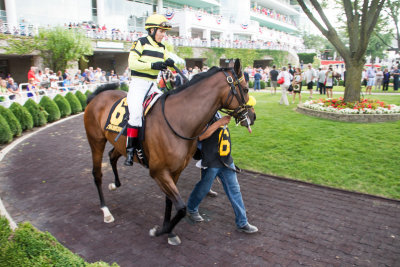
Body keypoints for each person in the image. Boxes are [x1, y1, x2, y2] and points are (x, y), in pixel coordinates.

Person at [187, 112, 258, 234]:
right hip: (211, 161)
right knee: (204, 188)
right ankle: (191, 208)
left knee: (235, 190)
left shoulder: (219, 113)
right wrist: (219, 123)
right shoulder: (205, 114)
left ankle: (242, 222)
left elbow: (240, 112)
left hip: (226, 160)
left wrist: (246, 123)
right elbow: (201, 136)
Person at [125, 14, 175, 166]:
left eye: (164, 32)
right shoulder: (140, 42)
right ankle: (130, 150)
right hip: (138, 85)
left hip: (153, 86)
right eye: (161, 31)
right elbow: (132, 63)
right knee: (135, 116)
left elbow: (168, 60)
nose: (163, 35)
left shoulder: (162, 47)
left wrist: (171, 63)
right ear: (152, 30)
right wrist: (152, 66)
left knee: (166, 109)